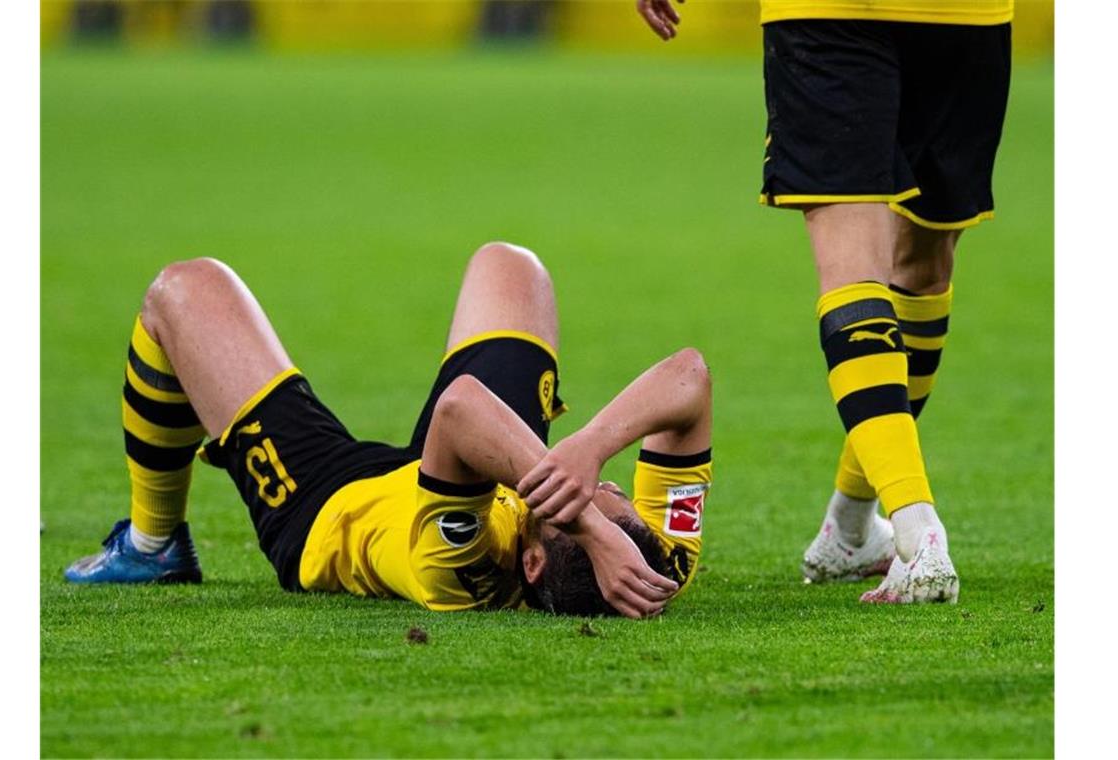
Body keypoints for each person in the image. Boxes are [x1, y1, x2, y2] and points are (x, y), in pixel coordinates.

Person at [65, 242, 714, 618]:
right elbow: (690, 377)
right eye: (615, 495)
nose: (599, 490)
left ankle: (154, 547)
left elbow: (458, 412)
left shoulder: (460, 571)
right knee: (510, 265)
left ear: (534, 559)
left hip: (324, 506)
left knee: (181, 289)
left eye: (574, 502)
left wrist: (592, 525)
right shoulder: (656, 565)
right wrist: (593, 447)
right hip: (464, 467)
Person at [636, 0, 1013, 603]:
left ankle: (851, 526)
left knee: (921, 264)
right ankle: (918, 531)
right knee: (865, 264)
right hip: (852, 15)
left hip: (959, 17)